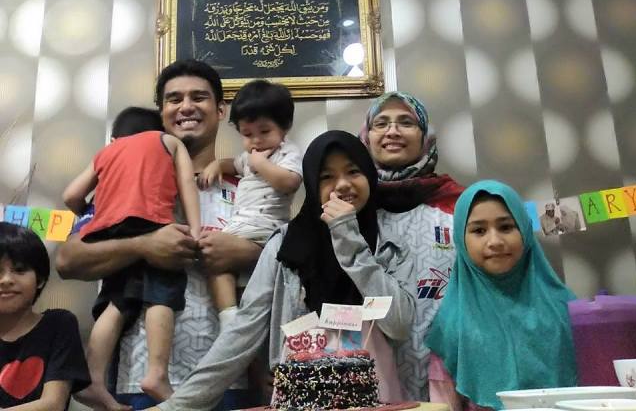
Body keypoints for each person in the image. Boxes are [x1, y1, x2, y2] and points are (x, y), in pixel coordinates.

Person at [143, 130, 416, 411]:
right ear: (312, 184)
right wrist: (178, 406)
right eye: (326, 177)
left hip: (378, 399)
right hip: (299, 401)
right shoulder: (284, 245)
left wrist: (349, 241)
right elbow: (243, 331)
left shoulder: (391, 245)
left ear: (369, 175)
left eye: (353, 171)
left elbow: (399, 325)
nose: (343, 184)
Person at [55, 59, 262, 410]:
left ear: (220, 110)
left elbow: (283, 260)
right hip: (137, 382)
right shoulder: (119, 189)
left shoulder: (250, 187)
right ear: (162, 113)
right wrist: (143, 245)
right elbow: (67, 260)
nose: (186, 106)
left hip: (233, 379)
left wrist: (245, 252)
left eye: (199, 97)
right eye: (174, 99)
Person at [62, 106, 201, 409]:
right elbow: (187, 184)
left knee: (117, 301)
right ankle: (157, 374)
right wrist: (194, 230)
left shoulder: (106, 152)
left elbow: (70, 195)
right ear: (159, 130)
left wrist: (94, 213)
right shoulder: (168, 141)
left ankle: (93, 379)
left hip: (107, 231)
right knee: (162, 292)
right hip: (151, 222)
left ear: (115, 138)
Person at [426, 180, 577, 411]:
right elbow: (443, 406)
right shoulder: (451, 326)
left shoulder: (567, 310)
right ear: (460, 239)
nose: (495, 241)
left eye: (506, 227)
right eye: (479, 231)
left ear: (524, 231)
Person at [359, 91, 464, 401]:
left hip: (451, 374)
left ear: (425, 137)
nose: (392, 131)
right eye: (381, 123)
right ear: (366, 139)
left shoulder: (461, 206)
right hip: (369, 380)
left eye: (406, 122)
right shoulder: (349, 214)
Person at [198, 80, 302, 330]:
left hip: (267, 229)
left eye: (264, 131)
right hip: (241, 226)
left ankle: (240, 318)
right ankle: (229, 316)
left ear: (285, 127)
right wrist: (216, 165)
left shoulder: (287, 152)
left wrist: (261, 164)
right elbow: (232, 163)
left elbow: (290, 182)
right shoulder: (249, 157)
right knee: (214, 262)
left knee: (215, 252)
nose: (256, 140)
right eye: (247, 134)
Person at [0, 222, 90, 410]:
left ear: (39, 279)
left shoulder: (59, 325)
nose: (6, 280)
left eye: (19, 269)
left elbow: (53, 404)